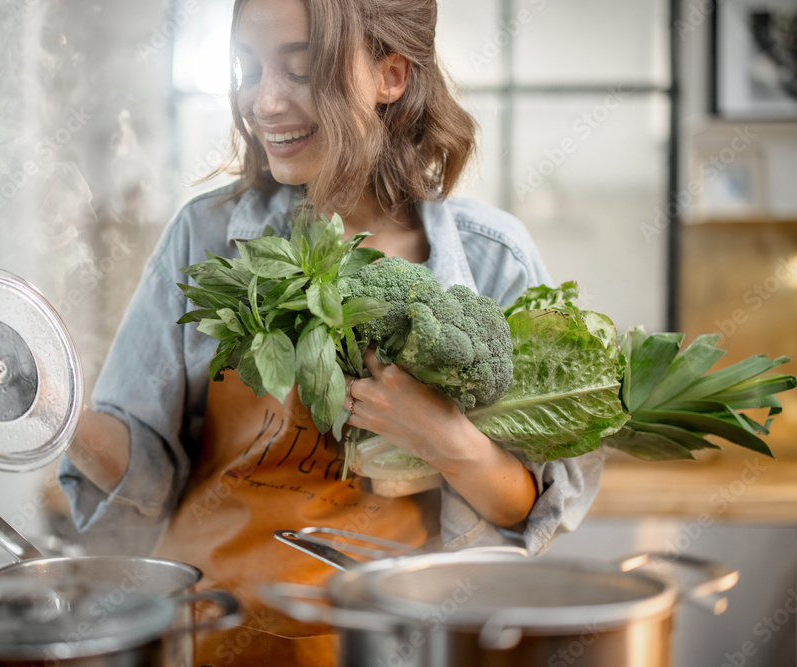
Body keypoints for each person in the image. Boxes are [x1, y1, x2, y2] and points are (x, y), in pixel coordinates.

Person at [58, 0, 604, 664]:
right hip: (206, 638)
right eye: (248, 69)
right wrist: (52, 415)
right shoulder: (204, 239)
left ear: (392, 75)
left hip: (389, 647)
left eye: (301, 69)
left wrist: (443, 436)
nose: (264, 102)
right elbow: (144, 474)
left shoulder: (492, 263)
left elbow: (529, 507)